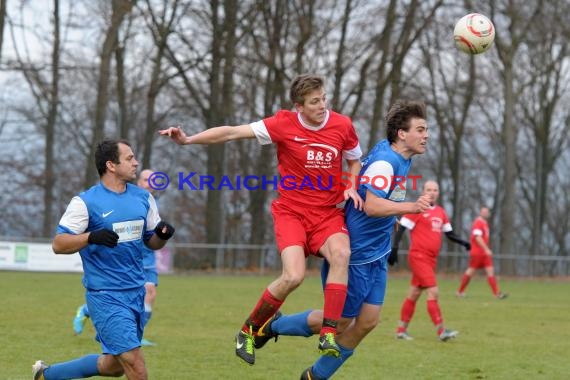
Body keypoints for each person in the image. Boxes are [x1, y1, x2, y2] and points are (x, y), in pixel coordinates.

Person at [160, 73, 363, 365]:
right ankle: (248, 330)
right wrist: (189, 139)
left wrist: (351, 184)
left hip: (328, 214)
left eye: (323, 98)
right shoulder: (282, 124)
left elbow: (355, 159)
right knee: (293, 276)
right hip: (292, 213)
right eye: (314, 102)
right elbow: (231, 132)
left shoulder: (342, 125)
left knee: (342, 253)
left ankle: (328, 333)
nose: (322, 105)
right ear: (299, 106)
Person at [249, 100, 431, 379]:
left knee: (368, 321)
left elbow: (377, 199)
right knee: (341, 321)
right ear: (401, 134)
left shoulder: (399, 157)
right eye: (420, 129)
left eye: (426, 129)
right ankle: (272, 326)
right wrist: (410, 207)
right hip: (357, 256)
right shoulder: (385, 163)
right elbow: (371, 205)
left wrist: (390, 215)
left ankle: (315, 375)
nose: (426, 135)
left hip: (377, 254)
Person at [33, 140, 175, 380]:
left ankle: (48, 375)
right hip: (105, 294)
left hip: (135, 292)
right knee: (136, 365)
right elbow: (59, 244)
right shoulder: (86, 202)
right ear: (111, 165)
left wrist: (162, 236)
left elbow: (152, 242)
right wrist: (91, 236)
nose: (136, 163)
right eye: (129, 158)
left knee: (114, 366)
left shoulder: (144, 198)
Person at [72, 169, 160, 347]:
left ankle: (136, 334)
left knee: (150, 293)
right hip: (128, 258)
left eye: (153, 180)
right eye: (145, 179)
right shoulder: (128, 199)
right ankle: (88, 310)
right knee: (139, 294)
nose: (150, 183)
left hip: (147, 258)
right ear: (139, 182)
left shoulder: (148, 201)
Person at [391, 180, 470, 342]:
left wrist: (464, 242)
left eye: (435, 189)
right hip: (418, 257)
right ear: (423, 191)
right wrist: (394, 249)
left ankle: (401, 330)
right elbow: (401, 229)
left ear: (438, 192)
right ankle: (441, 331)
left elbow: (450, 234)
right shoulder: (416, 209)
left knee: (414, 293)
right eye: (429, 189)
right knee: (433, 291)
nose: (432, 192)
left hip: (431, 260)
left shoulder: (441, 212)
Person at [456, 206, 508, 299]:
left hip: (484, 254)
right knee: (470, 271)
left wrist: (486, 250)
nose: (485, 213)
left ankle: (496, 294)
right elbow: (477, 237)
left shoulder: (484, 223)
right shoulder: (478, 223)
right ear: (480, 212)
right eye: (483, 211)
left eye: (486, 212)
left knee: (490, 272)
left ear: (488, 213)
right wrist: (486, 249)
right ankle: (460, 292)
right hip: (478, 253)